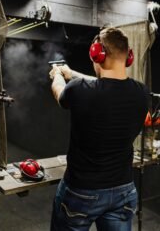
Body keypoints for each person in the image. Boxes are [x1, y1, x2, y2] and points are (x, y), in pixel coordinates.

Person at [49, 27, 149, 231]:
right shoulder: (142, 93)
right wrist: (72, 73)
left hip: (81, 192)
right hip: (124, 190)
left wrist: (58, 75)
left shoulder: (79, 90)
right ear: (128, 57)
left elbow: (60, 93)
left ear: (97, 53)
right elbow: (110, 85)